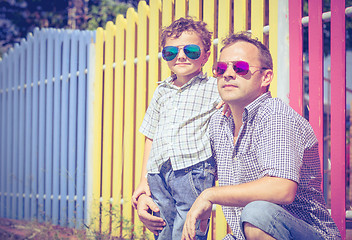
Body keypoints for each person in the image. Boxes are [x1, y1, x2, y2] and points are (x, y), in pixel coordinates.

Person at [181, 32, 342, 240]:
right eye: (221, 68)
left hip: (307, 233)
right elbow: (192, 169)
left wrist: (210, 195)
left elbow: (282, 188)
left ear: (266, 77)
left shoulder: (274, 115)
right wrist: (145, 194)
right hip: (247, 235)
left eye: (240, 68)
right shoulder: (218, 124)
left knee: (257, 213)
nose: (228, 74)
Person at [131, 17, 221, 240]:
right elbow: (150, 135)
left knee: (188, 230)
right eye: (171, 52)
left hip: (193, 170)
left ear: (206, 55)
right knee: (162, 230)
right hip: (158, 174)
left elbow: (233, 104)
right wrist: (144, 179)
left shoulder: (214, 87)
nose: (180, 56)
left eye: (190, 50)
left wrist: (228, 103)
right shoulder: (161, 91)